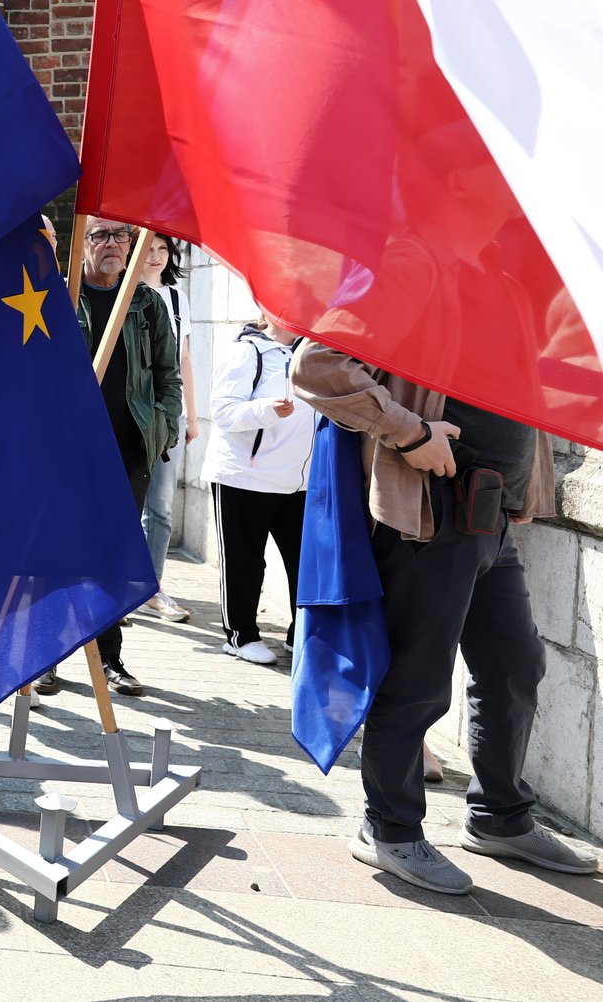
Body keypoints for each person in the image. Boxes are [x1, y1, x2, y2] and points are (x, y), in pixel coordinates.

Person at [295, 343, 598, 894]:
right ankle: (389, 828)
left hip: (493, 513)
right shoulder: (410, 267)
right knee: (417, 680)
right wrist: (410, 433)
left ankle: (499, 817)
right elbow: (315, 366)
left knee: (514, 666)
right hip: (429, 510)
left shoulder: (513, 291)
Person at [36, 223, 181, 697]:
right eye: (100, 236)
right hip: (67, 449)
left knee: (112, 555)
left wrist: (164, 426)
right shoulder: (58, 298)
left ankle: (110, 657)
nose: (113, 244)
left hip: (128, 447)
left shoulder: (147, 303)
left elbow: (167, 374)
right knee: (59, 550)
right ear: (83, 243)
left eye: (122, 236)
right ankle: (48, 659)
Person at [203, 313, 315, 665]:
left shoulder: (311, 354)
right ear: (268, 313)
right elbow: (223, 411)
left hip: (299, 481)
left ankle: (300, 635)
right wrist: (267, 410)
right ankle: (240, 636)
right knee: (244, 561)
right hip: (244, 477)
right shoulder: (245, 352)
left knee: (304, 563)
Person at [136, 232, 196, 623]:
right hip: (128, 409)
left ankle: (152, 587)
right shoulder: (121, 295)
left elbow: (184, 357)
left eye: (162, 249)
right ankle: (116, 586)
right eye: (148, 249)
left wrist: (190, 414)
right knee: (123, 502)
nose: (156, 256)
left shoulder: (176, 297)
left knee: (160, 507)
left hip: (167, 413)